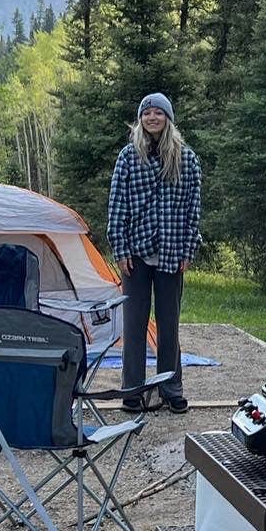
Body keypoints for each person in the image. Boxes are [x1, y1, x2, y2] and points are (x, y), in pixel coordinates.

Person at [107, 93, 202, 413]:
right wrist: (119, 249)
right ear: (140, 119)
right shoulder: (127, 158)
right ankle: (132, 390)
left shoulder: (186, 159)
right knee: (133, 325)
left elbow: (193, 209)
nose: (151, 117)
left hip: (173, 252)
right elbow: (116, 209)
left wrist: (188, 248)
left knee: (169, 324)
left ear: (168, 118)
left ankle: (170, 388)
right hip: (135, 255)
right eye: (146, 113)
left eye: (157, 112)